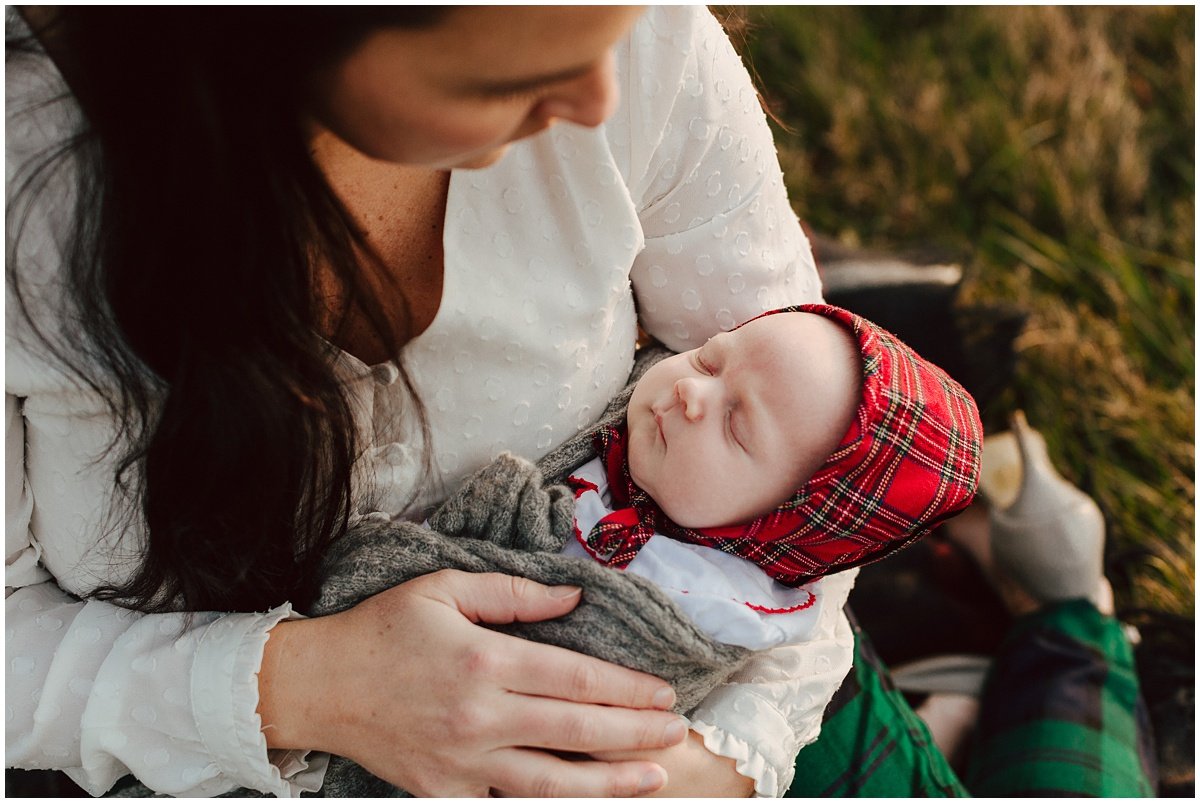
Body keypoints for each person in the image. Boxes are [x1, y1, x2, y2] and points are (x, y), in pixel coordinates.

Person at [7, 6, 850, 797]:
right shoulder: (28, 186)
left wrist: (707, 764)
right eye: (495, 79)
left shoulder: (646, 40)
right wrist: (304, 687)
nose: (601, 96)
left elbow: (835, 445)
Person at [562, 303, 982, 650]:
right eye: (708, 360)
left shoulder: (705, 603)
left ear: (775, 525)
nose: (691, 389)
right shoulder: (631, 403)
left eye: (735, 428)